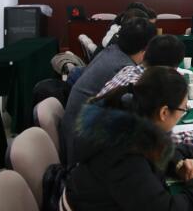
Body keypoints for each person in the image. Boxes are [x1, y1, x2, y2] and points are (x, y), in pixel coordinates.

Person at [55, 67, 193, 211]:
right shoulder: (124, 153)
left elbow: (156, 149)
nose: (182, 114)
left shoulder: (130, 116)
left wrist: (177, 164)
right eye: (183, 109)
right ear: (164, 112)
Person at [61, 17, 156, 165]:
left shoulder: (111, 51)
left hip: (75, 133)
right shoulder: (124, 69)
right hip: (82, 152)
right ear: (146, 49)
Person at [98, 34, 193, 143]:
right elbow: (151, 142)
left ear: (146, 54)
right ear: (170, 70)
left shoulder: (129, 70)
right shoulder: (145, 89)